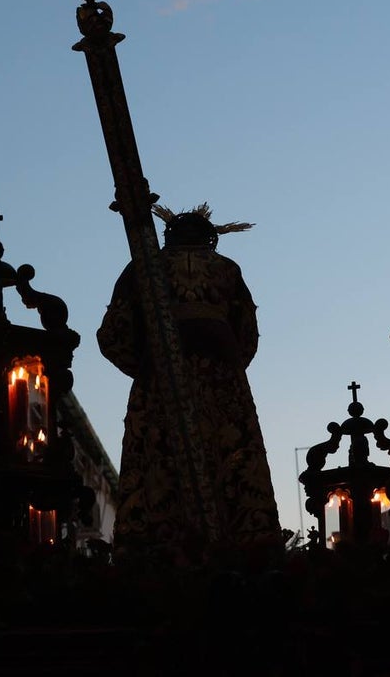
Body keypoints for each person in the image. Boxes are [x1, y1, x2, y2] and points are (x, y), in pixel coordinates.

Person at [98, 204, 281, 559]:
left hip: (160, 384)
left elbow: (114, 335)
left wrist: (149, 368)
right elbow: (247, 335)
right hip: (223, 384)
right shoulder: (228, 269)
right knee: (231, 461)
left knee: (158, 461)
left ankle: (154, 548)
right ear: (210, 239)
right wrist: (226, 368)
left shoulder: (143, 267)